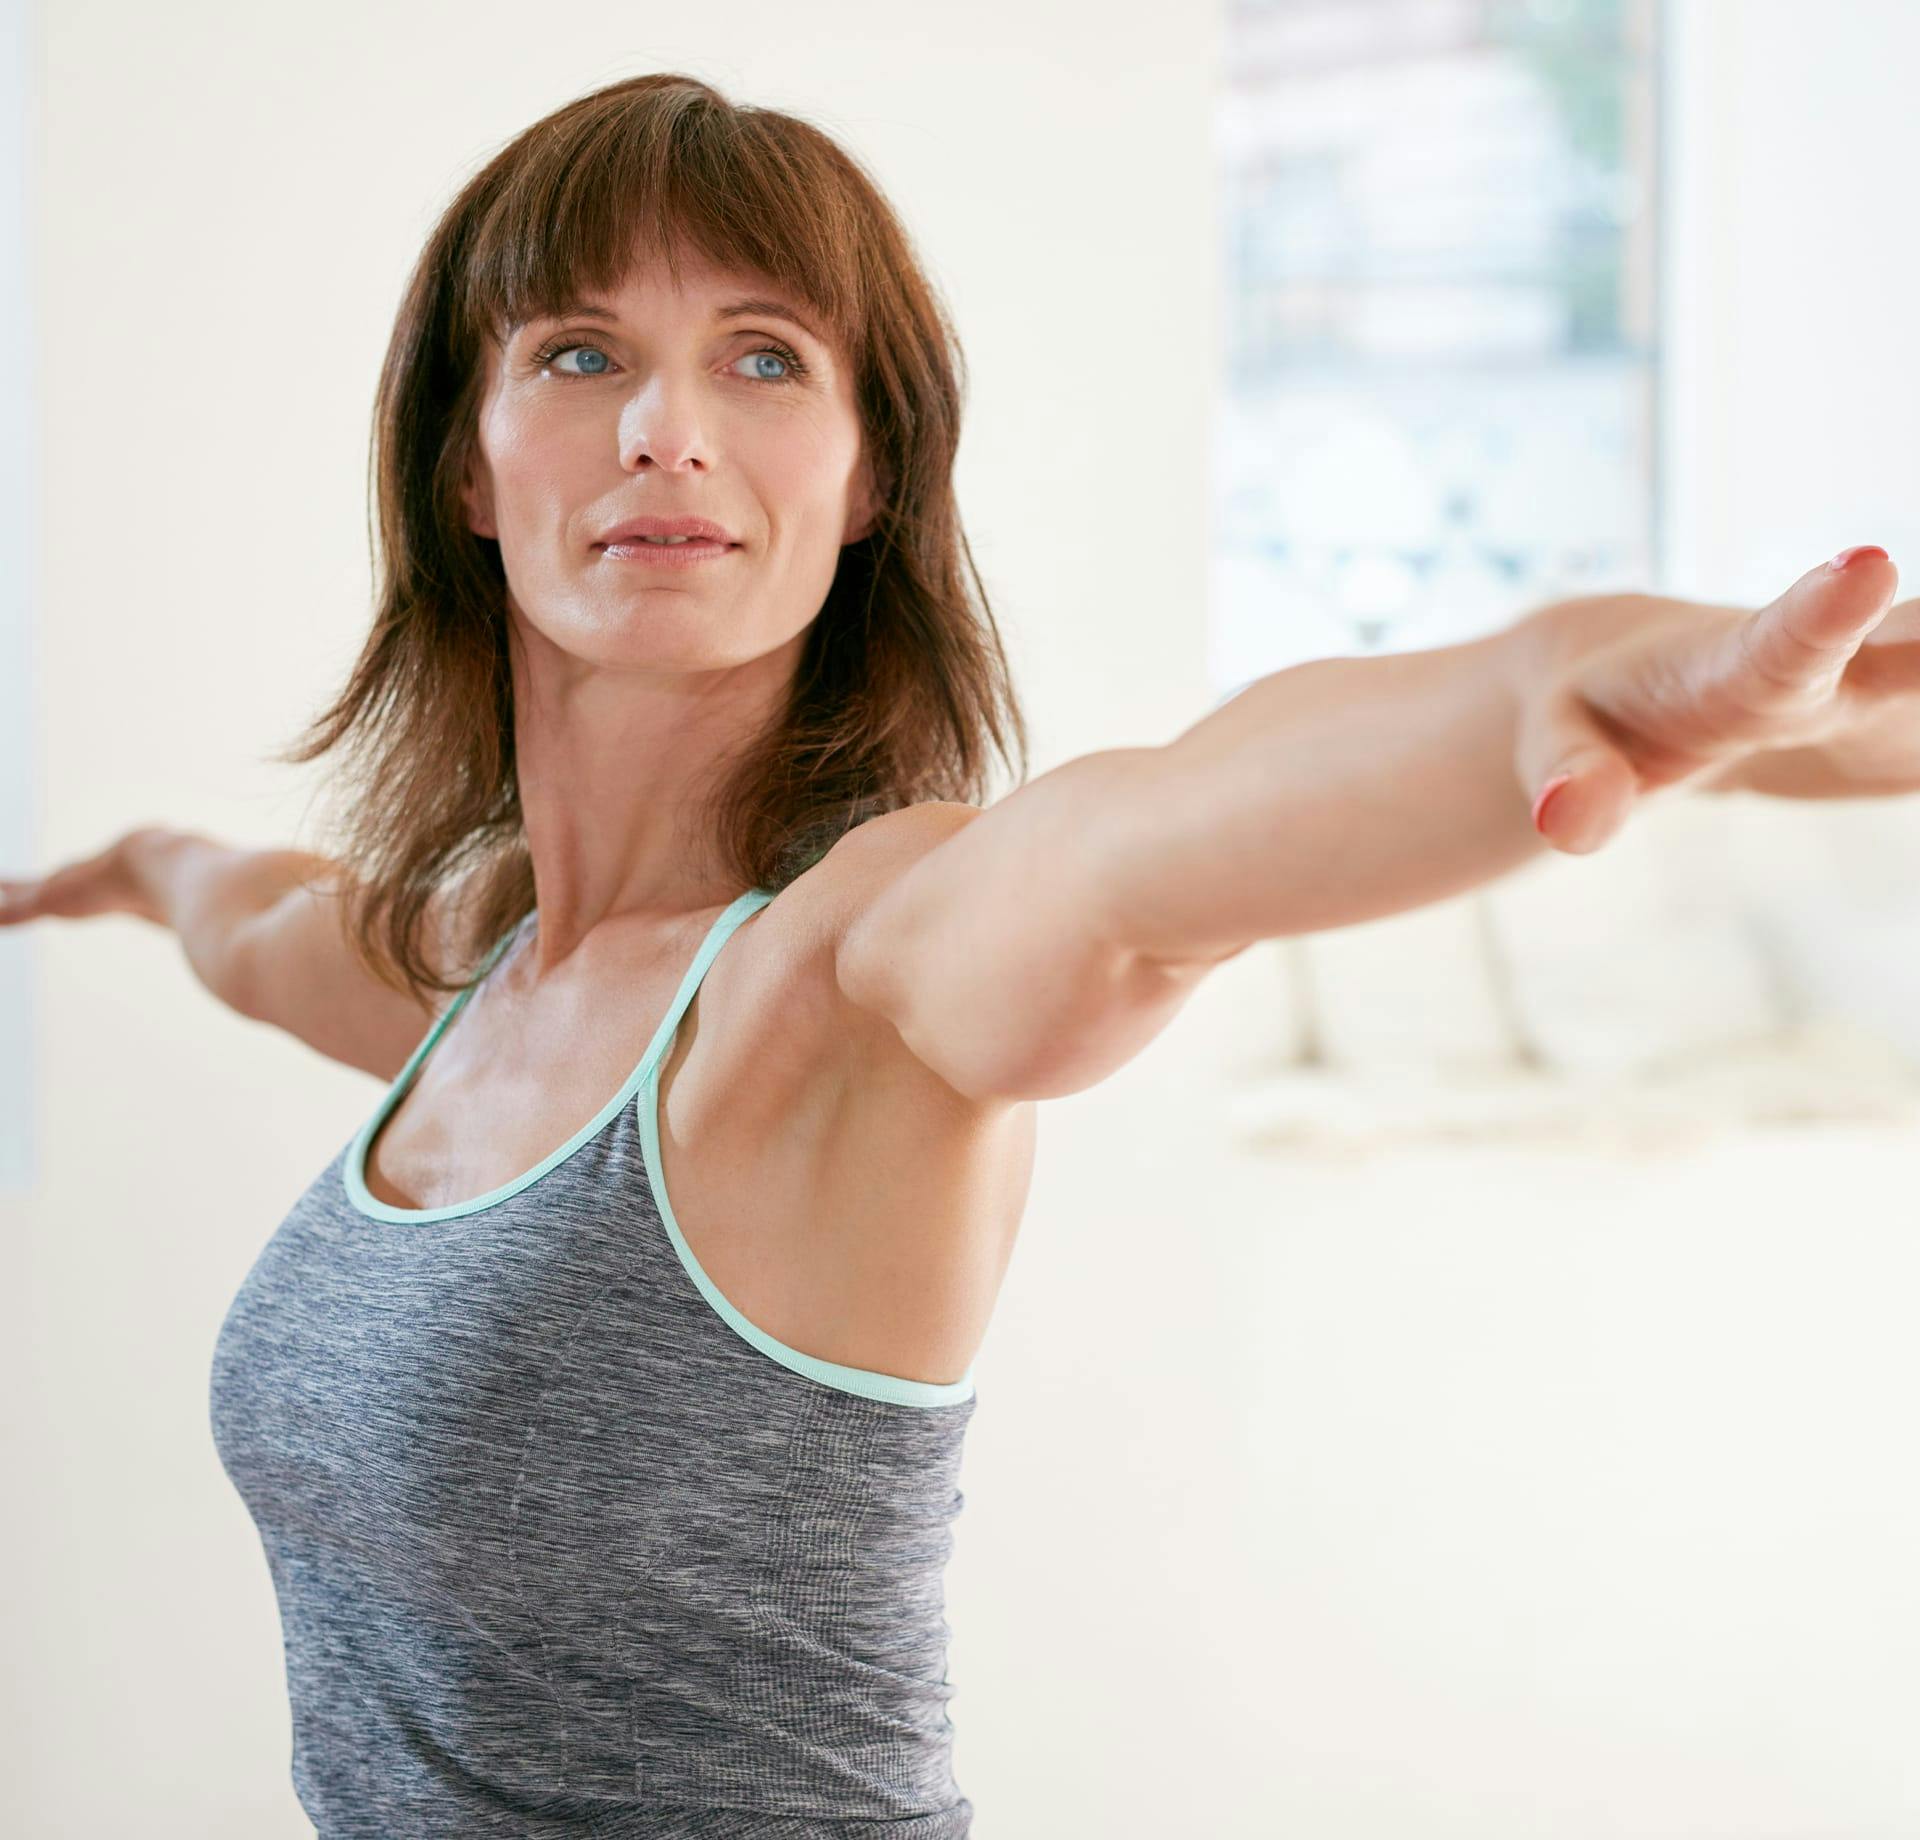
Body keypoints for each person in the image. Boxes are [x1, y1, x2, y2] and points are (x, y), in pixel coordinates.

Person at [3, 68, 1917, 1840]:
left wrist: (1553, 690)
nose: (667, 430)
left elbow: (1149, 842)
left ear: (868, 481)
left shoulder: (852, 966)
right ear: (467, 468)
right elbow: (247, 916)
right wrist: (121, 866)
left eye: (764, 359)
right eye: (581, 352)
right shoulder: (472, 967)